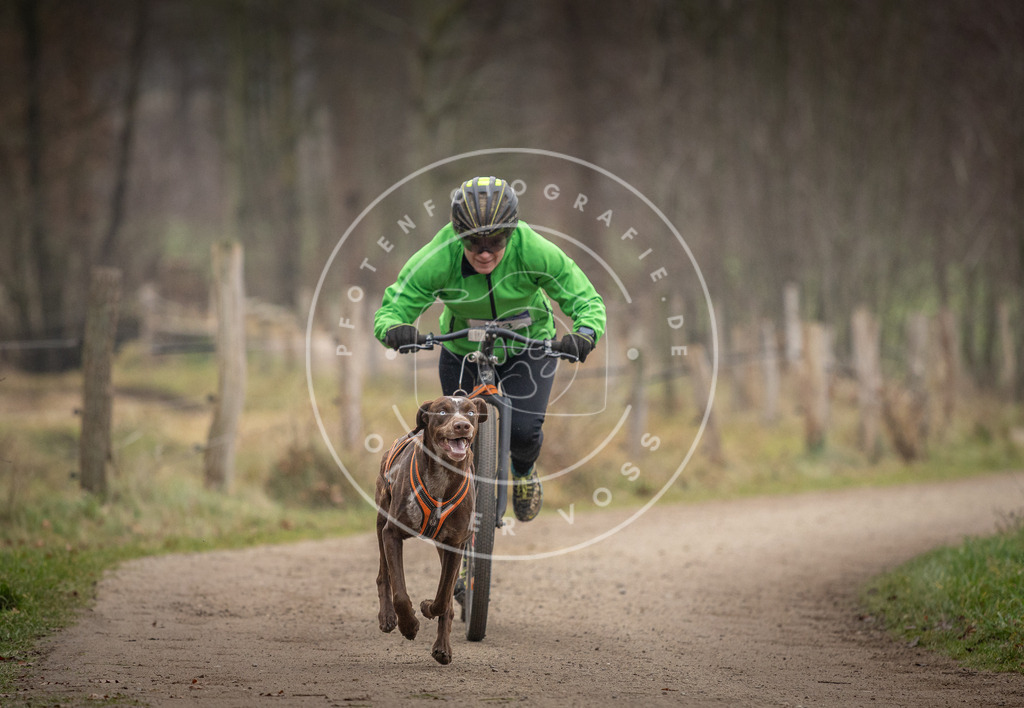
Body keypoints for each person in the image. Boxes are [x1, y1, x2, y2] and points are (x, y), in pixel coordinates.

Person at [373, 176, 606, 523]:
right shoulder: (440, 256)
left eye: (496, 241)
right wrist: (394, 329)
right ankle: (457, 521)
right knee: (454, 432)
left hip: (529, 345)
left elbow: (584, 297)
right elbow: (396, 305)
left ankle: (524, 471)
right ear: (457, 233)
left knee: (524, 433)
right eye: (472, 242)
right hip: (462, 347)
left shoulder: (533, 249)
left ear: (511, 232)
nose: (484, 252)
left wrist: (585, 332)